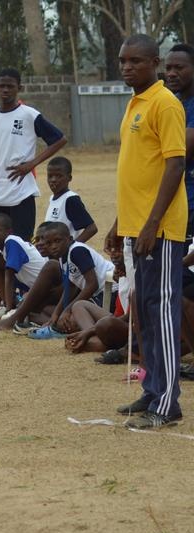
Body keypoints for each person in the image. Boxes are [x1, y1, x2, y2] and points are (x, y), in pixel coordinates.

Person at [106, 34, 187, 428]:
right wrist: (119, 224)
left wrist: (153, 223)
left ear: (154, 63)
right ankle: (153, 389)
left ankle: (167, 404)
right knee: (146, 313)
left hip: (161, 230)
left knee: (163, 312)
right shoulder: (135, 103)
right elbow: (137, 171)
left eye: (135, 61)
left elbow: (175, 165)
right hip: (136, 227)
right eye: (123, 61)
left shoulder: (165, 103)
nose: (127, 67)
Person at [0, 68, 68, 317]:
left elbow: (59, 139)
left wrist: (31, 164)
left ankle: (15, 299)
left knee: (19, 247)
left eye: (10, 86)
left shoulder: (29, 115)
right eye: (2, 85)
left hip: (20, 193)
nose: (5, 90)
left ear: (19, 88)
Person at [0, 216, 60, 332]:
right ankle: (12, 307)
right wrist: (0, 299)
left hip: (44, 289)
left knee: (39, 309)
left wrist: (8, 308)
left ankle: (12, 312)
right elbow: (12, 275)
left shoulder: (12, 241)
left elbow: (9, 276)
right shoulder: (1, 248)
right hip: (30, 288)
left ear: (8, 232)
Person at [163, 43, 194, 243]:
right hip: (173, 201)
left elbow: (181, 152)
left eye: (179, 68)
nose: (171, 74)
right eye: (168, 68)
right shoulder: (171, 102)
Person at [44, 157, 97, 242]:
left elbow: (91, 228)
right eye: (50, 176)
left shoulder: (70, 199)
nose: (53, 180)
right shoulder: (52, 198)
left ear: (69, 178)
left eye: (59, 176)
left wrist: (72, 246)